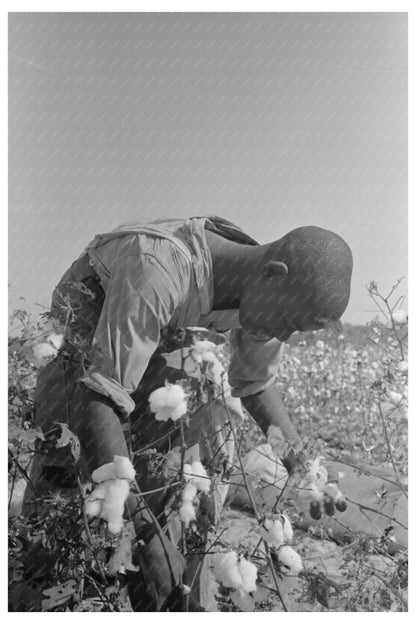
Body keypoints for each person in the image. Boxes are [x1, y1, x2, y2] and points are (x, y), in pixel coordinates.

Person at [22, 215, 353, 610]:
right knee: (65, 495)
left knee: (195, 459)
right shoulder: (158, 267)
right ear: (273, 274)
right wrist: (144, 535)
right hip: (90, 352)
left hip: (144, 359)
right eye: (286, 324)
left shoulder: (258, 291)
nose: (283, 336)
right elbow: (102, 394)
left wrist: (300, 463)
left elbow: (255, 384)